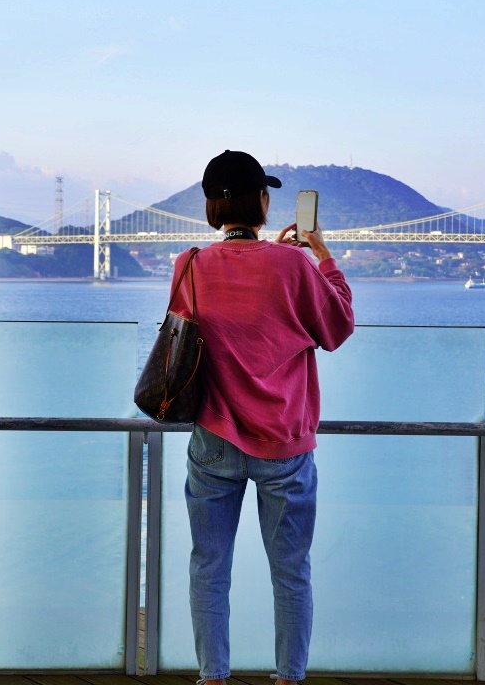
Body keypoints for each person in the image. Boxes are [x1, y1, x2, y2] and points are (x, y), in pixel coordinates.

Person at [169, 150, 355, 685]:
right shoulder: (292, 264)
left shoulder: (190, 266)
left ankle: (213, 678)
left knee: (209, 567)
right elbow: (338, 327)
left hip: (213, 439)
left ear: (211, 207)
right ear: (263, 202)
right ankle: (289, 679)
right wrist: (322, 257)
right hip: (284, 442)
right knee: (291, 572)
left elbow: (186, 344)